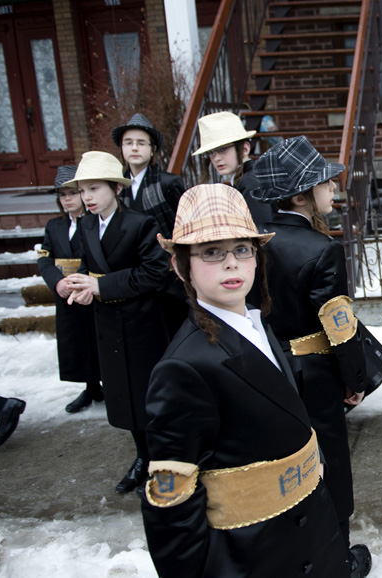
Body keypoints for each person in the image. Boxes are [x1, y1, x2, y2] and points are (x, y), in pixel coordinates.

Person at [140, 184, 352, 577]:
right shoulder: (183, 367)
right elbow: (171, 504)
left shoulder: (255, 322)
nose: (232, 264)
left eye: (242, 249)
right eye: (211, 252)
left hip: (308, 530)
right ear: (180, 265)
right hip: (256, 553)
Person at [251, 136, 372, 577]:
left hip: (273, 371)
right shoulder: (322, 249)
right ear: (301, 196)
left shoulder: (256, 244)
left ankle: (294, 551)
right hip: (315, 373)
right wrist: (356, 379)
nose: (333, 188)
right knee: (330, 464)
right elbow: (340, 328)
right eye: (324, 183)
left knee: (286, 460)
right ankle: (337, 557)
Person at [63, 151, 171, 493]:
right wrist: (82, 287)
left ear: (115, 188)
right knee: (123, 397)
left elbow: (155, 272)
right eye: (82, 191)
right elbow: (87, 265)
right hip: (108, 324)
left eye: (94, 188)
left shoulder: (140, 224)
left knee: (148, 397)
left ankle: (160, 461)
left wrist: (102, 286)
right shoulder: (85, 224)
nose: (87, 198)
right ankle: (141, 456)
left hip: (143, 325)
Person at [113, 113, 189, 334]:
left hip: (168, 275)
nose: (134, 148)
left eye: (141, 143)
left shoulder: (168, 183)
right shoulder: (116, 186)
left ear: (153, 149)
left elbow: (183, 226)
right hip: (133, 274)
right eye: (128, 143)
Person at [37, 165, 102, 413]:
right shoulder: (54, 226)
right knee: (76, 340)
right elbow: (45, 256)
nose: (67, 200)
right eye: (62, 195)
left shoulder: (95, 222)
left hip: (91, 289)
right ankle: (90, 386)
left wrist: (83, 279)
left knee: (98, 337)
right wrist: (57, 282)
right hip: (66, 292)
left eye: (72, 193)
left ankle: (110, 383)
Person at [192, 111, 272, 230]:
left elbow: (263, 232)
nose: (216, 158)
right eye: (210, 152)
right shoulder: (245, 178)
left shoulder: (250, 182)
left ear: (245, 149)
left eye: (223, 149)